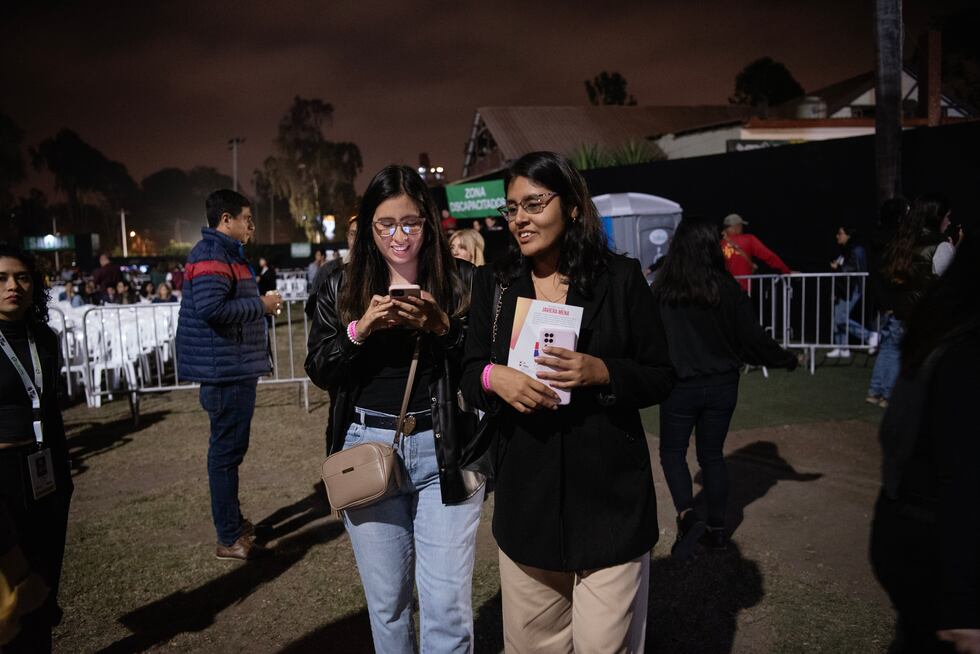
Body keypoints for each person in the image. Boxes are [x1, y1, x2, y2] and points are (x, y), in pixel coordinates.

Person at [460, 151, 674, 652]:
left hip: (610, 507)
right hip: (526, 507)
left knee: (605, 646)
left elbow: (661, 375)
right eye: (511, 208)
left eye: (533, 203)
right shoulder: (495, 284)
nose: (519, 219)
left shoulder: (620, 280)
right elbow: (469, 372)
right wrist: (496, 379)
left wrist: (603, 371)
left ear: (573, 206)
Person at [305, 165, 480, 652]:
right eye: (386, 224)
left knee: (447, 606)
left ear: (429, 222)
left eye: (411, 223)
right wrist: (360, 330)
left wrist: (442, 326)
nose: (399, 237)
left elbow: (483, 366)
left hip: (447, 449)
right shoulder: (340, 284)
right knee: (388, 605)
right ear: (367, 226)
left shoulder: (462, 280)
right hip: (369, 447)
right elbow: (320, 367)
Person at [653, 219, 799, 560]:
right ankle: (718, 530)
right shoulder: (727, 288)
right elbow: (753, 338)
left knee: (672, 452)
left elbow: (646, 336)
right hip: (722, 386)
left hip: (680, 387)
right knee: (712, 455)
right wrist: (784, 359)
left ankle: (688, 517)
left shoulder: (663, 290)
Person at [870, 231, 980, 653]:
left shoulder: (938, 331)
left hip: (906, 527)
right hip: (928, 540)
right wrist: (963, 607)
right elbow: (962, 481)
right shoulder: (961, 355)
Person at [175, 189, 282, 561]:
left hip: (232, 366)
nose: (251, 226)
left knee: (229, 452)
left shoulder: (223, 253)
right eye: (247, 219)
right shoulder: (211, 254)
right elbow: (211, 307)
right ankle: (228, 535)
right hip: (225, 371)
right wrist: (262, 305)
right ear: (226, 219)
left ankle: (234, 524)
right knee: (225, 454)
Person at [0, 244, 73, 653]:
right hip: (4, 473)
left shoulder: (44, 337)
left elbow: (48, 404)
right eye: (2, 278)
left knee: (44, 585)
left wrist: (62, 477)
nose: (13, 286)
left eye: (22, 277)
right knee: (13, 586)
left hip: (46, 470)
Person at [866, 195, 940, 408]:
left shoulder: (878, 238)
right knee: (897, 348)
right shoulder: (900, 239)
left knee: (888, 346)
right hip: (897, 300)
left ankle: (875, 390)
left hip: (884, 300)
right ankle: (888, 394)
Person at [827, 226, 878, 358]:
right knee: (837, 317)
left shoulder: (856, 249)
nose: (837, 236)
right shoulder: (844, 250)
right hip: (843, 289)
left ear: (848, 235)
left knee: (841, 318)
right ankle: (842, 347)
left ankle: (870, 336)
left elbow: (853, 269)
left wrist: (838, 267)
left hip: (853, 288)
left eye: (840, 233)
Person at [720, 213, 792, 291]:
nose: (742, 229)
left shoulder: (718, 244)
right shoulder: (749, 239)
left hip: (723, 291)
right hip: (743, 292)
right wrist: (787, 271)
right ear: (737, 227)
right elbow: (769, 256)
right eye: (741, 226)